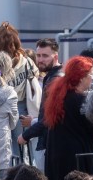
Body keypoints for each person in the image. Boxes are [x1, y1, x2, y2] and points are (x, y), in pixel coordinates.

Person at [0, 23, 41, 163]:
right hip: (21, 107)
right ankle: (25, 176)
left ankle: (9, 178)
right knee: (23, 148)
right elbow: (36, 77)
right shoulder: (26, 61)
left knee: (2, 149)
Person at [43, 56, 93, 180]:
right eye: (90, 74)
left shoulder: (58, 95)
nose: (92, 78)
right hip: (76, 163)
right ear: (82, 77)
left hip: (56, 159)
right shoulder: (82, 100)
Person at [19, 38, 64, 172]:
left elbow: (51, 118)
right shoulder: (51, 76)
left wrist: (26, 135)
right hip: (49, 141)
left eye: (45, 56)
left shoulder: (56, 79)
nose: (40, 59)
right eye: (38, 55)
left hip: (53, 144)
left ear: (55, 56)